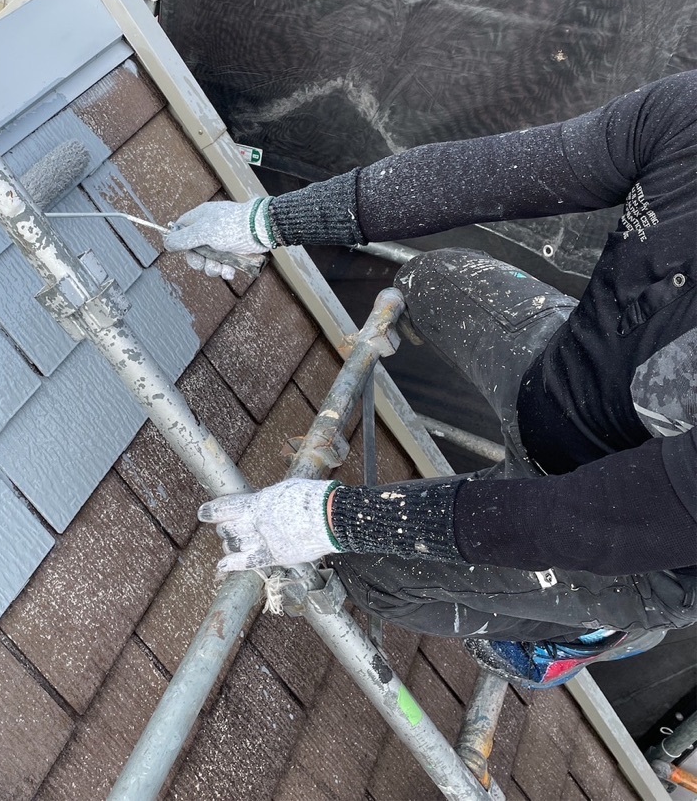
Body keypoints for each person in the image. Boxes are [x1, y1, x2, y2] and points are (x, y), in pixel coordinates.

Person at [163, 70, 696, 688]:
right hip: (560, 384)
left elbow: (583, 520)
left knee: (372, 576)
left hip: (636, 546)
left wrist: (340, 519)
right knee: (429, 279)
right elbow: (488, 174)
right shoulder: (688, 116)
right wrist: (266, 222)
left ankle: (593, 632)